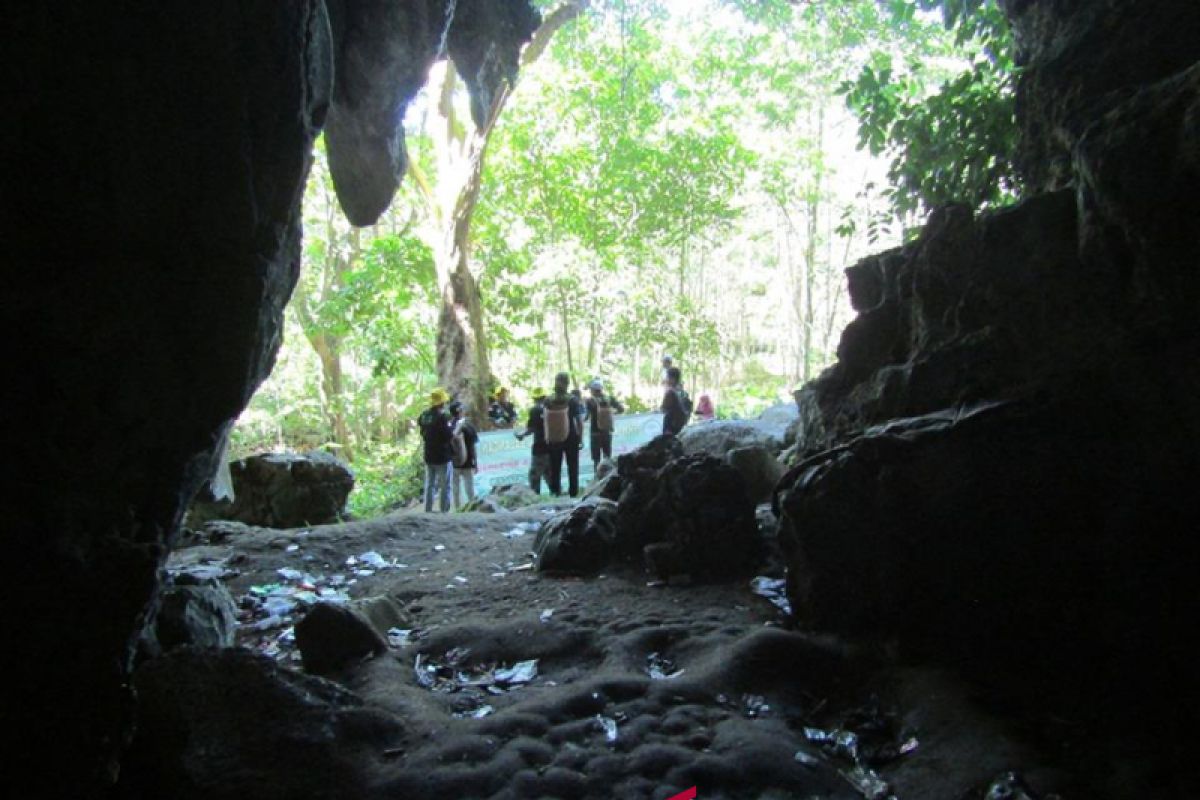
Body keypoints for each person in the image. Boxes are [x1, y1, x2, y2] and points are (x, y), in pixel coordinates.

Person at [543, 372, 584, 497]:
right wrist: (580, 438)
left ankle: (555, 493)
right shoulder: (573, 400)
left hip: (554, 438)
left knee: (555, 467)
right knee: (573, 466)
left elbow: (545, 420)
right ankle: (573, 493)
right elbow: (579, 421)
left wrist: (547, 436)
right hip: (571, 437)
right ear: (567, 383)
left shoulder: (548, 400)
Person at [417, 388, 454, 512]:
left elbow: (422, 431)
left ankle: (427, 510)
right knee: (445, 486)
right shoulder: (442, 417)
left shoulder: (424, 415)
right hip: (442, 457)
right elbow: (448, 436)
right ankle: (444, 511)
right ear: (442, 403)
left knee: (430, 484)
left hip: (428, 455)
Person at [514, 388, 550, 494]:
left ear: (535, 399)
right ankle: (557, 495)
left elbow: (531, 428)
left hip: (540, 447)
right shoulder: (552, 409)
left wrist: (522, 435)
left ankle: (535, 497)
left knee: (534, 476)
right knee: (550, 474)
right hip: (552, 446)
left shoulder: (535, 410)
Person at [584, 379, 625, 471]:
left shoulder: (590, 401)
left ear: (593, 390)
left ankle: (597, 479)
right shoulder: (610, 399)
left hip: (595, 433)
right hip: (607, 432)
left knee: (596, 459)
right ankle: (608, 479)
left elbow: (585, 417)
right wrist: (612, 413)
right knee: (607, 457)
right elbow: (621, 409)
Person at [448, 400, 479, 509]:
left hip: (452, 463)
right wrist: (476, 462)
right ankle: (473, 509)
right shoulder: (469, 426)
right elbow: (473, 446)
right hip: (468, 461)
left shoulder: (448, 427)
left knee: (455, 490)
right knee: (469, 489)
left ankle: (457, 510)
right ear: (460, 411)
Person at [660, 366, 692, 436]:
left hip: (671, 428)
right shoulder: (681, 392)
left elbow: (663, 409)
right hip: (680, 426)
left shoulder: (670, 392)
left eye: (667, 377)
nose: (666, 380)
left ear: (673, 379)